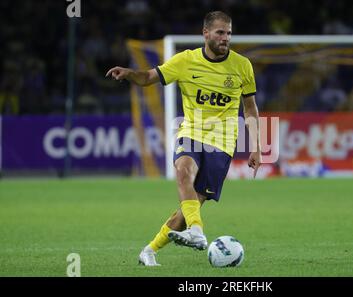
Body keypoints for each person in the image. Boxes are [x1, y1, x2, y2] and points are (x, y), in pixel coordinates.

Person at [106, 11, 261, 266]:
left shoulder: (242, 66)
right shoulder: (185, 61)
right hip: (191, 132)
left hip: (222, 142)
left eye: (229, 33)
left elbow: (251, 108)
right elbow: (148, 78)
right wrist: (129, 73)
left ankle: (149, 250)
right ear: (206, 33)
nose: (226, 38)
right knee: (183, 170)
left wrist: (256, 147)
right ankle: (198, 232)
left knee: (189, 208)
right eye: (220, 32)